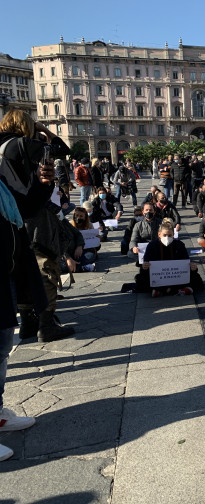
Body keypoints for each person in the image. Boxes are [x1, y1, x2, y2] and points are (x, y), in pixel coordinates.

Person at [0, 110, 73, 461]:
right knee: (43, 275)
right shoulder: (16, 146)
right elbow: (61, 150)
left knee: (2, 337)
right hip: (20, 240)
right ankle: (43, 323)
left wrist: (45, 186)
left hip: (12, 242)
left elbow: (27, 203)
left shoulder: (9, 156)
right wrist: (43, 130)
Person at [137, 219, 202, 297]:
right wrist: (145, 266)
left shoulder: (179, 244)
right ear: (159, 234)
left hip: (175, 276)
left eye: (170, 235)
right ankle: (175, 290)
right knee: (140, 278)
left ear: (173, 235)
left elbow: (186, 261)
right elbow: (146, 261)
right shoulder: (152, 245)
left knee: (196, 277)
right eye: (164, 235)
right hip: (158, 277)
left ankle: (162, 290)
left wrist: (193, 267)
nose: (167, 237)